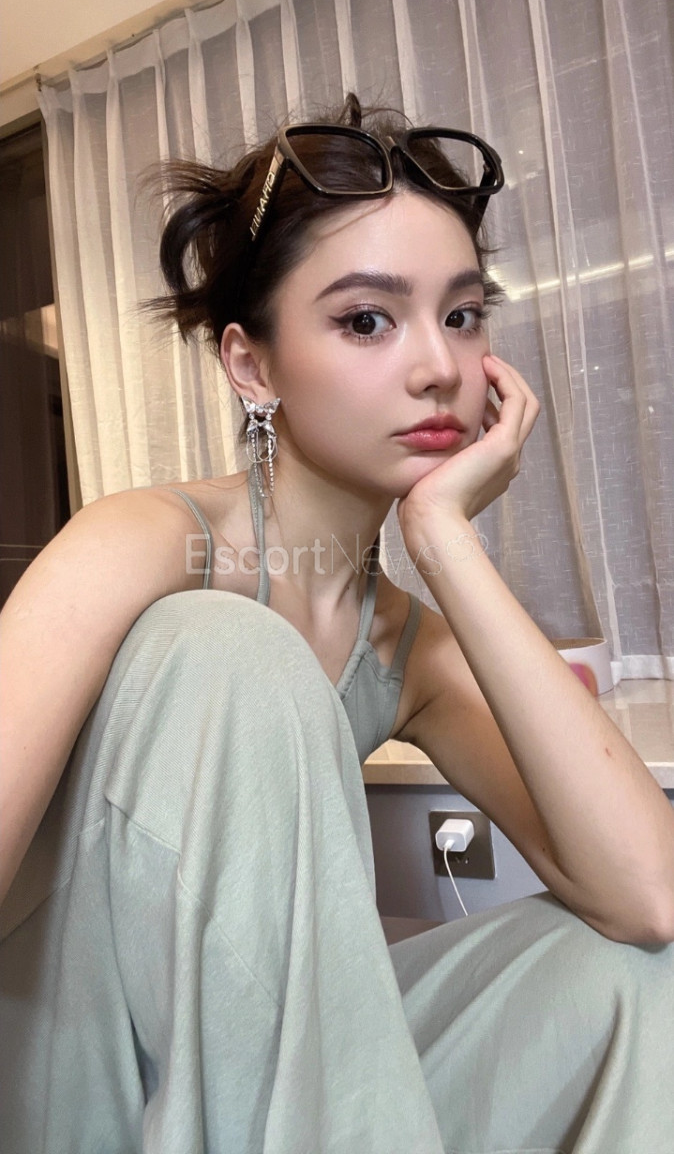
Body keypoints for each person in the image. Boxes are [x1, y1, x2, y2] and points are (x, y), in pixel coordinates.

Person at [1, 93, 673, 1153]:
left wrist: (443, 541)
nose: (438, 366)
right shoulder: (143, 541)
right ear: (251, 366)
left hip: (275, 1084)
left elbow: (649, 897)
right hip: (76, 1084)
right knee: (224, 649)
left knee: (639, 975)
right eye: (366, 319)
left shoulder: (403, 640)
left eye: (462, 315)